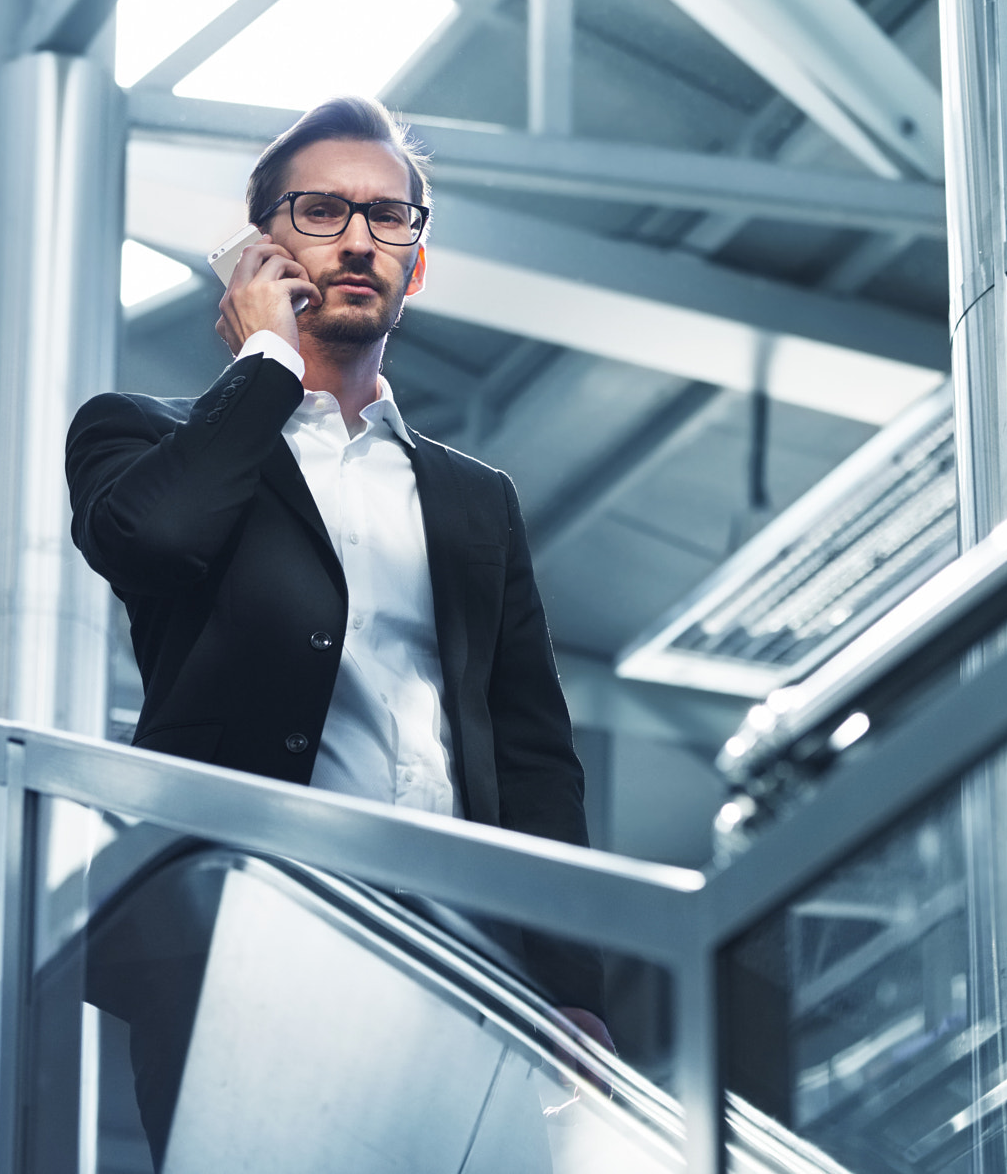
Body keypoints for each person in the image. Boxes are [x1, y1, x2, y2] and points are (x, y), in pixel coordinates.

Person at [66, 95, 609, 1155]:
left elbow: (532, 748)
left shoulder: (473, 499)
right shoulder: (143, 435)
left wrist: (573, 983)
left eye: (389, 217)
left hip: (470, 969)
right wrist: (263, 366)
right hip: (248, 952)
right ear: (257, 252)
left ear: (418, 258)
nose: (360, 238)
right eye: (321, 211)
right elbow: (150, 542)